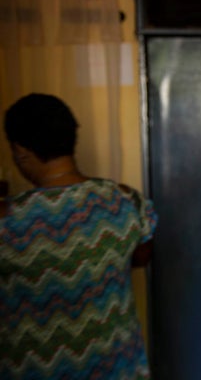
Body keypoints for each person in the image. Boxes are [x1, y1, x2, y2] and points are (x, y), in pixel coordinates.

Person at [0, 93, 157, 380]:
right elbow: (141, 256)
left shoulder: (7, 218)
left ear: (20, 150)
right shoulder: (125, 200)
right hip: (117, 367)